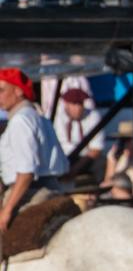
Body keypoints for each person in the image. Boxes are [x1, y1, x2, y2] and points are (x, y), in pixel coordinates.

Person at [0, 69, 68, 234]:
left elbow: (26, 172)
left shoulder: (20, 121)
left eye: (1, 90)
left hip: (30, 193)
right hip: (52, 187)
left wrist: (7, 211)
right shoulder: (39, 118)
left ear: (18, 91)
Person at [51, 87, 104, 176]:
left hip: (85, 159)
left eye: (80, 103)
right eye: (74, 104)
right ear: (66, 104)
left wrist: (75, 170)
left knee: (101, 163)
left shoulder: (93, 116)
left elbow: (96, 149)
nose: (78, 108)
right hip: (61, 159)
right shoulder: (56, 118)